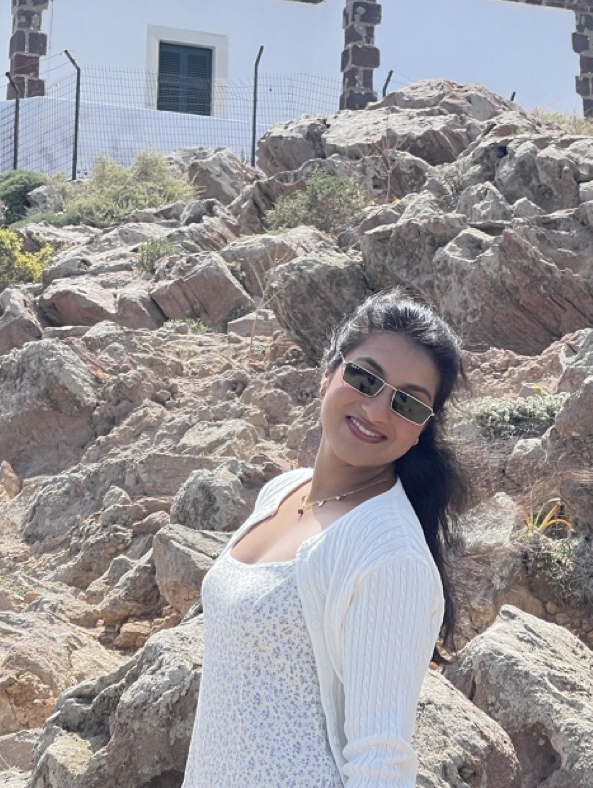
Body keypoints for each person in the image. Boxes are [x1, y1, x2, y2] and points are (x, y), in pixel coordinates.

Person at [181, 291, 469, 788]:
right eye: (364, 378)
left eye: (408, 403)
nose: (377, 410)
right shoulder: (281, 492)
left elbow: (381, 763)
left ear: (423, 430)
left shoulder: (388, 554)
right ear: (328, 373)